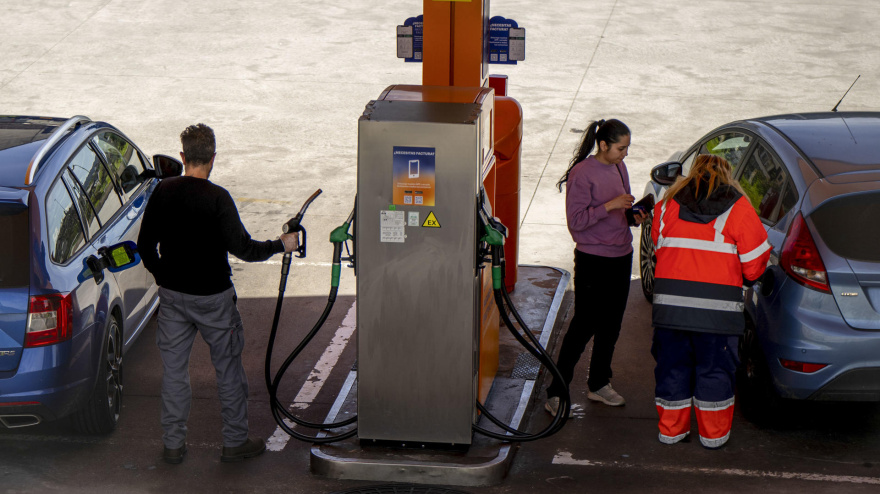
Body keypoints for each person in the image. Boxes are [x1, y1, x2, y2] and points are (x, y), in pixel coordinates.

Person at [137, 124, 299, 464]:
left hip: (173, 297)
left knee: (174, 372)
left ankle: (173, 445)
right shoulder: (217, 198)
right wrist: (280, 245)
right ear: (213, 158)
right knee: (227, 370)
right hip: (214, 299)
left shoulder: (164, 191)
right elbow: (243, 249)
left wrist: (164, 276)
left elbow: (144, 246)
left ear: (182, 157)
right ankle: (235, 442)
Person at [650, 154, 770, 449]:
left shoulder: (666, 205)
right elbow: (754, 267)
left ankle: (671, 432)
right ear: (728, 176)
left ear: (692, 174)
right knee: (715, 371)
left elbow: (658, 247)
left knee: (672, 368)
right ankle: (713, 437)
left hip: (670, 312)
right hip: (718, 316)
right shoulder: (739, 209)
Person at [545, 118, 647, 417]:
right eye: (620, 148)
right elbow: (575, 223)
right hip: (592, 259)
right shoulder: (582, 174)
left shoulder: (619, 167)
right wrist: (610, 206)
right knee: (583, 326)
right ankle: (556, 391)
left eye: (626, 148)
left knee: (612, 324)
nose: (624, 154)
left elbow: (622, 212)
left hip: (621, 255)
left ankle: (599, 383)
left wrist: (633, 216)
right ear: (603, 145)